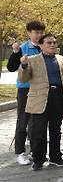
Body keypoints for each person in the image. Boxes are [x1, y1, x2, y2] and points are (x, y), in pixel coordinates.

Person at [18, 33, 63, 170]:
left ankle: (55, 157)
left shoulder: (61, 59)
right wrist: (23, 65)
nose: (52, 45)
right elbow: (23, 79)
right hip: (39, 99)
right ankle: (39, 159)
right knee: (38, 132)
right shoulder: (32, 60)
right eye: (49, 43)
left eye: (54, 42)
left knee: (55, 130)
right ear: (41, 45)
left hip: (57, 97)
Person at [6, 20, 45, 166]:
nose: (39, 35)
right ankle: (20, 152)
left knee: (37, 122)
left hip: (40, 88)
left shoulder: (45, 46)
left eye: (41, 32)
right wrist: (16, 53)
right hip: (25, 89)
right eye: (36, 32)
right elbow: (11, 67)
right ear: (29, 33)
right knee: (23, 120)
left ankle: (37, 152)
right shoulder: (22, 48)